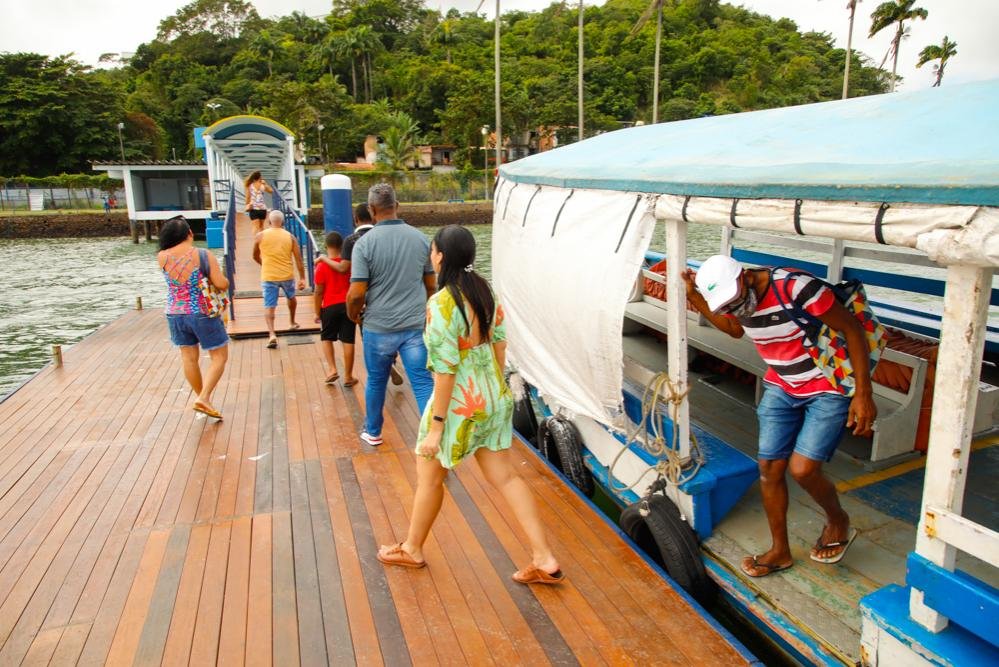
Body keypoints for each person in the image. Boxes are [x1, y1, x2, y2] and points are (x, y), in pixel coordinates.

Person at [376, 225, 563, 585]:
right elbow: (500, 344)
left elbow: (446, 371)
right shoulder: (484, 289)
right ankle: (544, 558)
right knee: (506, 477)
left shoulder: (441, 303)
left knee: (430, 477)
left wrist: (436, 426)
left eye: (433, 250)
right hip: (493, 394)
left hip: (461, 402)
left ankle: (412, 549)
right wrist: (494, 387)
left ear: (441, 256)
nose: (431, 255)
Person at [684, 255, 876, 578]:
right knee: (769, 468)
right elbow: (734, 329)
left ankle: (837, 519)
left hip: (826, 384)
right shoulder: (737, 303)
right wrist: (696, 298)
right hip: (782, 383)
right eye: (726, 306)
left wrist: (863, 394)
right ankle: (780, 551)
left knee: (802, 469)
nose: (735, 310)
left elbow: (852, 330)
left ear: (744, 277)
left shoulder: (797, 288)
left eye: (735, 301)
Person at [346, 184, 435, 446]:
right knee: (421, 381)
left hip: (378, 326)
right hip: (415, 325)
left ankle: (373, 431)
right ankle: (433, 435)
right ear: (397, 206)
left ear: (372, 211)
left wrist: (354, 316)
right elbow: (431, 285)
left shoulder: (364, 244)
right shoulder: (420, 238)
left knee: (376, 380)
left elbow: (356, 293)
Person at [318, 203, 403, 386]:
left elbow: (343, 268)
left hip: (364, 296)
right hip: (390, 292)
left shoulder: (352, 240)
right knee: (390, 329)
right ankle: (392, 359)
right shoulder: (386, 236)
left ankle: (381, 368)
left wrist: (323, 259)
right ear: (373, 216)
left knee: (369, 334)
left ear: (355, 219)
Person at [157, 216, 230, 420]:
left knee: (189, 358)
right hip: (202, 311)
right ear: (189, 234)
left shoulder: (162, 256)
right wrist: (224, 280)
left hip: (174, 313)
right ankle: (204, 398)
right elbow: (221, 284)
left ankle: (203, 399)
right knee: (219, 357)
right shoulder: (202, 254)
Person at [253, 209, 306, 349]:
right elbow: (299, 260)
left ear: (269, 222)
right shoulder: (290, 237)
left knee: (269, 305)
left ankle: (272, 334)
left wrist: (263, 264)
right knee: (291, 297)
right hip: (286, 274)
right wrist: (302, 278)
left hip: (268, 275)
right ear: (283, 222)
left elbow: (254, 255)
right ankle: (292, 322)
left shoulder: (260, 236)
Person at [314, 232, 357, 386]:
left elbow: (318, 291)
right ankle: (348, 376)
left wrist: (317, 311)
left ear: (326, 246)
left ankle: (332, 369)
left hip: (329, 306)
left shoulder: (321, 266)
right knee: (348, 340)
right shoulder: (350, 265)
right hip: (347, 305)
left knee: (326, 338)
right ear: (342, 247)